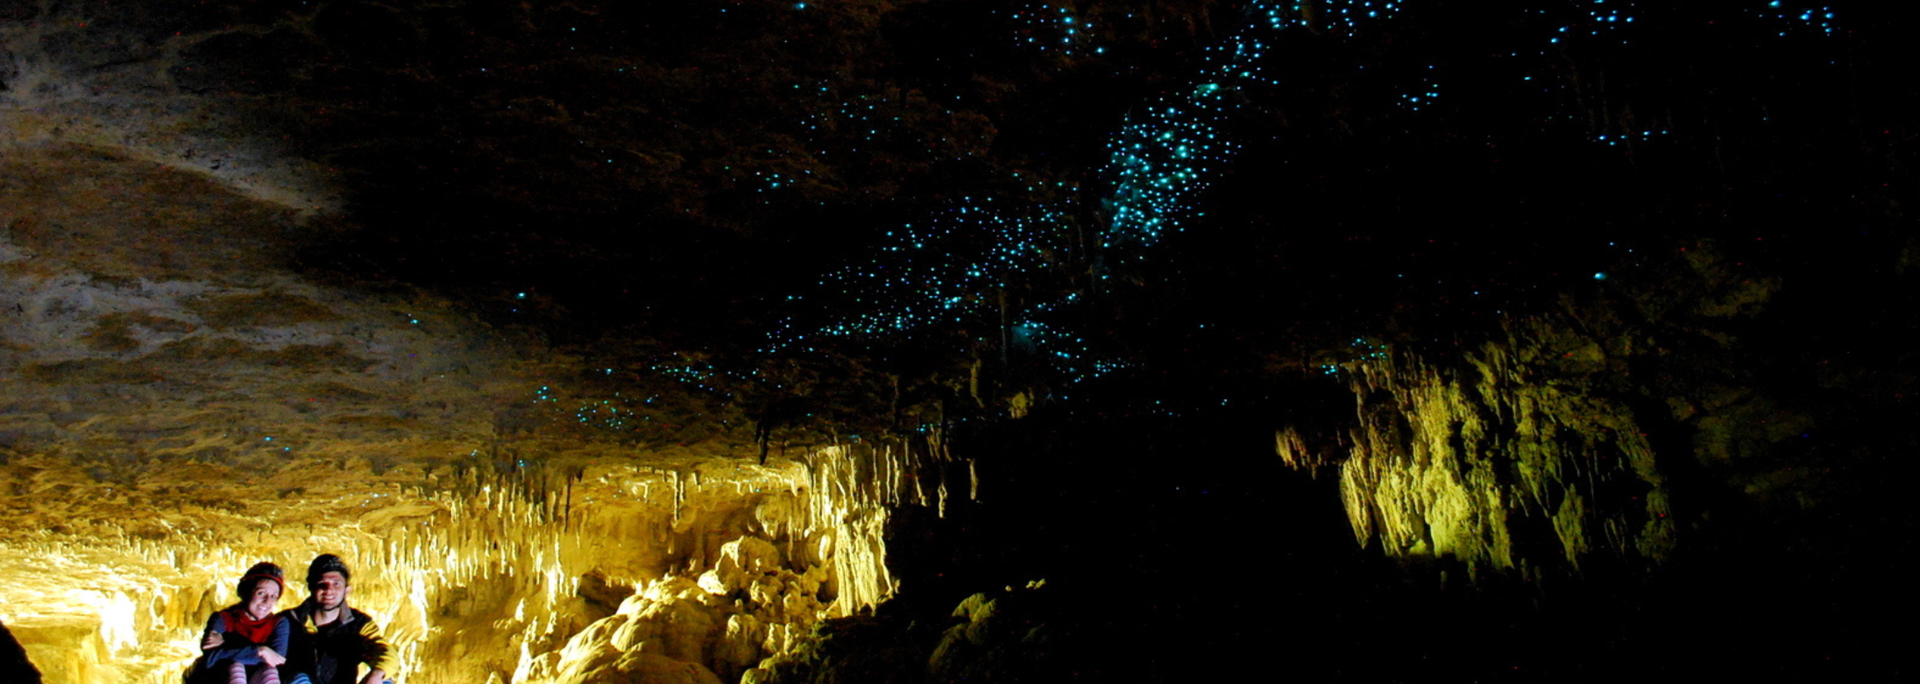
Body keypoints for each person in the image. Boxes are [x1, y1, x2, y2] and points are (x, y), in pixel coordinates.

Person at [280, 554, 393, 684]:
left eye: (336, 584)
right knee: (299, 679)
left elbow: (386, 652)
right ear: (311, 588)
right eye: (322, 584)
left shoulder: (358, 624)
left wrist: (376, 675)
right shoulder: (289, 621)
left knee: (384, 681)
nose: (329, 590)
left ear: (346, 591)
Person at [192, 562, 290, 684]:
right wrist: (260, 651)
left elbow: (277, 660)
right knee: (235, 668)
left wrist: (228, 645)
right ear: (246, 592)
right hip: (220, 678)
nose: (267, 601)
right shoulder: (223, 619)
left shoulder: (279, 623)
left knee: (270, 672)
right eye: (261, 593)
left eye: (273, 597)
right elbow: (211, 658)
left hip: (256, 677)